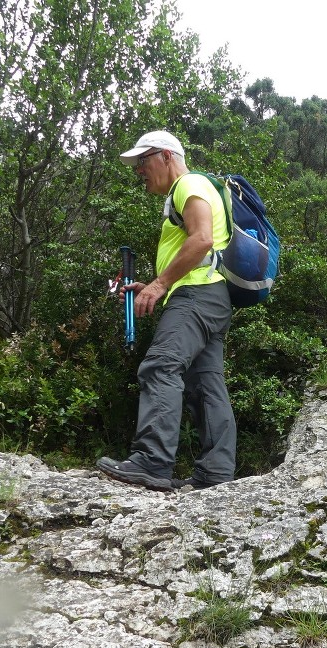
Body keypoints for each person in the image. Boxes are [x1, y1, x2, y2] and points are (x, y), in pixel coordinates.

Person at [96, 130, 236, 493]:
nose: (139, 171)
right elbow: (203, 249)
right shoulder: (198, 188)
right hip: (211, 296)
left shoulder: (189, 184)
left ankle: (152, 461)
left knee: (161, 366)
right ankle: (217, 474)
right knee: (206, 385)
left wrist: (160, 285)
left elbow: (202, 239)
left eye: (143, 162)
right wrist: (158, 283)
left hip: (196, 296)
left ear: (167, 156)